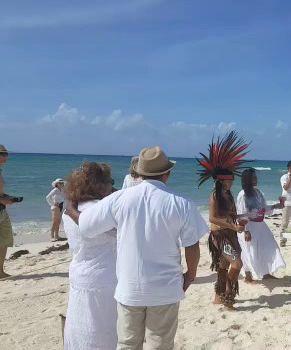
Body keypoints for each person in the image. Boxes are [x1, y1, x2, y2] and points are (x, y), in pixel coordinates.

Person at [66, 146, 207, 348]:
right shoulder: (181, 203)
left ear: (139, 173)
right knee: (160, 343)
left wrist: (70, 206)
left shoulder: (119, 199)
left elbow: (87, 226)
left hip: (129, 288)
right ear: (168, 173)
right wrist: (190, 275)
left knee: (128, 344)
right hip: (165, 288)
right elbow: (191, 245)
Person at [62, 162, 118, 349]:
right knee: (104, 330)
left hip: (80, 272)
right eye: (110, 181)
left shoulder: (71, 208)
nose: (112, 185)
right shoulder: (101, 210)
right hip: (105, 276)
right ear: (100, 185)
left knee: (81, 326)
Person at [198, 131, 252, 311]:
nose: (232, 183)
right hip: (220, 235)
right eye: (230, 181)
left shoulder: (228, 195)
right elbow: (212, 218)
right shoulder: (215, 195)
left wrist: (242, 223)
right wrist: (231, 225)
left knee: (224, 265)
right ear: (222, 181)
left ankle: (218, 297)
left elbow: (231, 215)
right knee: (237, 265)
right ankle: (228, 299)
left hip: (231, 234)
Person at [237, 168, 286, 283]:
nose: (256, 179)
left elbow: (265, 209)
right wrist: (245, 231)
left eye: (256, 177)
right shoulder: (243, 195)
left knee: (269, 247)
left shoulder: (258, 192)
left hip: (261, 225)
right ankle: (248, 277)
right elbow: (241, 214)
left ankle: (266, 273)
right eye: (254, 177)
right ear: (248, 180)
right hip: (249, 226)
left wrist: (277, 206)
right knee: (249, 251)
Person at [0, 144, 20, 279]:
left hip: (2, 211)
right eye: (3, 154)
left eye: (6, 154)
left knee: (5, 241)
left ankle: (0, 271)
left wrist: (7, 198)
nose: (6, 157)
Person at [279, 160, 291, 247]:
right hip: (287, 202)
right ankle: (282, 240)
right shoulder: (284, 177)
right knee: (285, 223)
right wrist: (290, 178)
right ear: (289, 168)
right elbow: (286, 188)